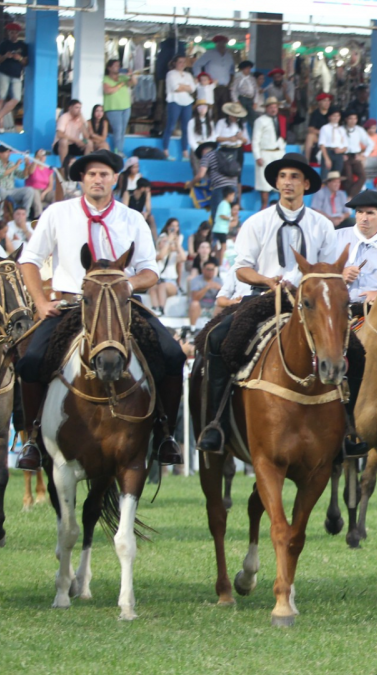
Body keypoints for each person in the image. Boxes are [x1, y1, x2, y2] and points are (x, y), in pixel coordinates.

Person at [14, 150, 186, 470]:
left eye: (104, 174)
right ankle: (33, 438)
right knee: (31, 361)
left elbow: (150, 272)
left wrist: (125, 287)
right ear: (82, 179)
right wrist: (40, 302)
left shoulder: (132, 218)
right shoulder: (57, 213)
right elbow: (29, 261)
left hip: (123, 307)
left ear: (115, 180)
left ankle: (164, 433)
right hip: (71, 305)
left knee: (173, 355)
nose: (97, 179)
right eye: (91, 174)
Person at [195, 153, 340, 451]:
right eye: (283, 176)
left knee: (355, 350)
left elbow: (328, 270)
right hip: (261, 299)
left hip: (309, 303)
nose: (288, 182)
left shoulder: (323, 225)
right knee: (218, 340)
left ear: (306, 184)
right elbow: (241, 268)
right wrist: (266, 281)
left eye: (295, 177)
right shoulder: (256, 222)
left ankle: (347, 428)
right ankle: (215, 423)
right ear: (276, 182)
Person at [251, 96, 287, 210]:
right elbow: (255, 140)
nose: (273, 109)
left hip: (278, 153)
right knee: (264, 184)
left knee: (280, 181)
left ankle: (282, 207)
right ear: (266, 108)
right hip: (265, 153)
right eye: (271, 107)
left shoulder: (280, 120)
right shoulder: (260, 121)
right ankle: (264, 207)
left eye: (275, 107)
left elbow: (282, 136)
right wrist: (257, 156)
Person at [0, 23, 27, 132]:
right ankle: (0, 125)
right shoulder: (4, 44)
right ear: (8, 33)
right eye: (11, 32)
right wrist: (5, 56)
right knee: (1, 98)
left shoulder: (23, 46)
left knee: (16, 99)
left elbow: (26, 62)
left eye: (15, 33)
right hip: (3, 73)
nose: (13, 35)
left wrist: (19, 58)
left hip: (16, 75)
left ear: (18, 33)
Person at [149, 218, 184, 314]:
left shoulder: (174, 254)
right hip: (159, 281)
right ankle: (155, 308)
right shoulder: (154, 254)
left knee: (162, 285)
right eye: (163, 241)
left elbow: (184, 258)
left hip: (170, 282)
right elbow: (160, 256)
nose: (165, 242)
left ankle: (161, 308)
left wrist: (177, 244)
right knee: (153, 287)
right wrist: (168, 241)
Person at [163, 56, 196, 159]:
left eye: (184, 62)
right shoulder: (171, 74)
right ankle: (165, 149)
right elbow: (175, 88)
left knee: (186, 128)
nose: (182, 64)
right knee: (171, 126)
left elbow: (193, 89)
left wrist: (183, 86)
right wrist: (186, 87)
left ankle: (185, 151)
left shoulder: (188, 74)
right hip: (174, 101)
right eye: (180, 62)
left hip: (187, 102)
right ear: (175, 63)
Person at [0, 146, 37, 216]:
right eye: (6, 152)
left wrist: (26, 165)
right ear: (0, 153)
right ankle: (0, 214)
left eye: (9, 152)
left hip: (11, 190)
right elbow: (1, 174)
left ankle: (25, 215)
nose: (9, 154)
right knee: (1, 191)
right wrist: (16, 165)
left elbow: (23, 176)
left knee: (29, 190)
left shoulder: (11, 164)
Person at [102, 59, 136, 156]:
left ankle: (119, 150)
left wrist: (131, 74)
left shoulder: (122, 77)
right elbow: (108, 90)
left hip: (126, 106)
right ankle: (118, 151)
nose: (118, 67)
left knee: (123, 130)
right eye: (116, 65)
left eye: (119, 65)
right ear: (109, 67)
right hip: (112, 108)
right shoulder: (106, 78)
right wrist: (121, 84)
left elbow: (134, 83)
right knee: (118, 129)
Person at [341, 111, 371, 197]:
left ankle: (351, 197)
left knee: (363, 176)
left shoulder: (359, 130)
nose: (353, 120)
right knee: (348, 177)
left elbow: (370, 144)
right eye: (350, 118)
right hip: (345, 156)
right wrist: (340, 154)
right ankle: (351, 197)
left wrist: (364, 155)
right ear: (346, 119)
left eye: (355, 118)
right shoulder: (340, 129)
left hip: (356, 156)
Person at [54, 99, 90, 167]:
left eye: (80, 108)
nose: (79, 110)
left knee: (89, 143)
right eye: (76, 107)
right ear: (70, 108)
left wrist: (82, 120)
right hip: (60, 146)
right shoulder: (64, 117)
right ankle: (64, 167)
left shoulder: (80, 119)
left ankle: (85, 167)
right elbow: (59, 134)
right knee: (64, 141)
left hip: (73, 145)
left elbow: (86, 136)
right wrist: (76, 140)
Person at [188, 257, 222, 324]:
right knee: (194, 304)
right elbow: (195, 298)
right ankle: (192, 328)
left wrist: (220, 289)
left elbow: (224, 297)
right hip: (200, 307)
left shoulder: (219, 280)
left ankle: (216, 328)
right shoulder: (196, 280)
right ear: (203, 270)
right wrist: (206, 288)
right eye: (208, 269)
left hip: (213, 307)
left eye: (212, 270)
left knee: (221, 305)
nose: (210, 272)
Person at [22, 148, 55, 217]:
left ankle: (54, 216)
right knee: (36, 196)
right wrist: (36, 159)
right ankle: (39, 217)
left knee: (55, 195)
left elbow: (50, 186)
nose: (43, 157)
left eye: (44, 156)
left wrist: (44, 193)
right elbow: (31, 172)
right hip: (33, 189)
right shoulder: (31, 164)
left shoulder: (48, 168)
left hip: (45, 191)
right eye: (41, 155)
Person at [305, 92, 334, 164]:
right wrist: (322, 132)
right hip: (320, 137)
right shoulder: (315, 113)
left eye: (328, 101)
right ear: (319, 102)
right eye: (325, 101)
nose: (327, 103)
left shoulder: (332, 112)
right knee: (310, 136)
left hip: (333, 136)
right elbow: (310, 129)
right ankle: (306, 161)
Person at [319, 109, 348, 178]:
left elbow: (346, 146)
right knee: (325, 176)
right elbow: (322, 144)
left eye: (338, 116)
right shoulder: (325, 128)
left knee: (336, 176)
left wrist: (341, 151)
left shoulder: (342, 129)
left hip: (338, 154)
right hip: (328, 151)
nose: (336, 118)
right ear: (330, 117)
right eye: (334, 116)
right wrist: (326, 158)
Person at [232, 60, 258, 126]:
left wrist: (255, 102)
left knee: (253, 117)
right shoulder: (238, 79)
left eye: (249, 68)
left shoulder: (252, 79)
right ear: (243, 69)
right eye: (247, 68)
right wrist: (236, 101)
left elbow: (256, 91)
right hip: (242, 99)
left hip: (250, 99)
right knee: (242, 117)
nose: (248, 70)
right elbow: (233, 91)